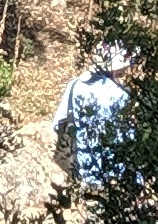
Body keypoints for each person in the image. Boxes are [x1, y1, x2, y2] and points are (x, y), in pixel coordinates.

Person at [54, 39, 135, 193]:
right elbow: (125, 137)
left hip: (81, 170)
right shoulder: (120, 94)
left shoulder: (74, 85)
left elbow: (58, 123)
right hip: (112, 174)